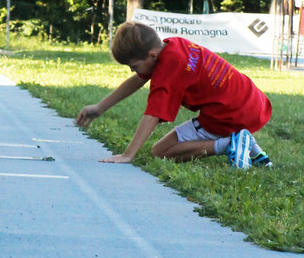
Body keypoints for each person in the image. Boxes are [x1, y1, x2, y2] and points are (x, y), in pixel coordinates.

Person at [76, 21, 273, 170]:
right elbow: (138, 80)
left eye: (133, 66)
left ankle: (229, 143)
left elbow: (153, 114)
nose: (132, 71)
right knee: (173, 142)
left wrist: (128, 154)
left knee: (160, 151)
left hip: (228, 114)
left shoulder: (169, 69)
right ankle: (256, 153)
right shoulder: (174, 45)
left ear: (151, 56)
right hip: (252, 102)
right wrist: (99, 107)